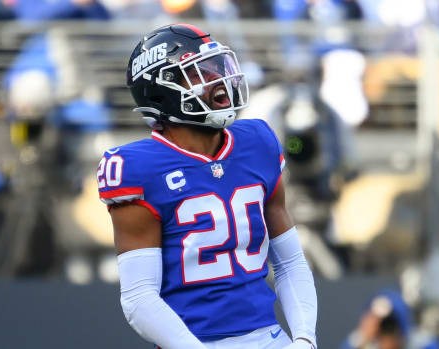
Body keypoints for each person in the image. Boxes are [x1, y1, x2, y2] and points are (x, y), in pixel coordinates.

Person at [97, 24, 318, 349]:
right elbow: (138, 297)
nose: (219, 81)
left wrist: (304, 339)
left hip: (269, 339)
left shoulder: (257, 142)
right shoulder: (138, 168)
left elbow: (289, 262)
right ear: (163, 89)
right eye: (199, 73)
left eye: (217, 67)